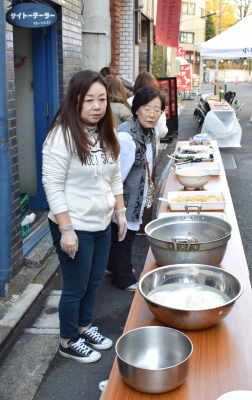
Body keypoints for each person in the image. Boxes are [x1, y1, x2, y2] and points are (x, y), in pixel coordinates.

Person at [42, 70, 127, 363]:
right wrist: (66, 230)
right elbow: (51, 185)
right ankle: (67, 339)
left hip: (102, 223)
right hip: (74, 225)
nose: (97, 106)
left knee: (93, 282)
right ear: (75, 100)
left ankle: (84, 326)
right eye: (89, 99)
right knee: (75, 286)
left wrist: (121, 212)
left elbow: (114, 175)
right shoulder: (61, 136)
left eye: (102, 99)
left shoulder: (104, 133)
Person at [107, 86, 166, 291]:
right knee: (124, 234)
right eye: (146, 108)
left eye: (157, 110)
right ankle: (122, 277)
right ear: (136, 109)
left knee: (123, 234)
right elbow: (116, 177)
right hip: (126, 196)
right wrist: (118, 207)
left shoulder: (150, 131)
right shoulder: (126, 136)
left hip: (138, 192)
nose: (151, 114)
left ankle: (112, 266)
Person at [128, 71, 169, 143]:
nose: (151, 115)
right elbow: (161, 131)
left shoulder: (128, 103)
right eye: (146, 109)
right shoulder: (157, 103)